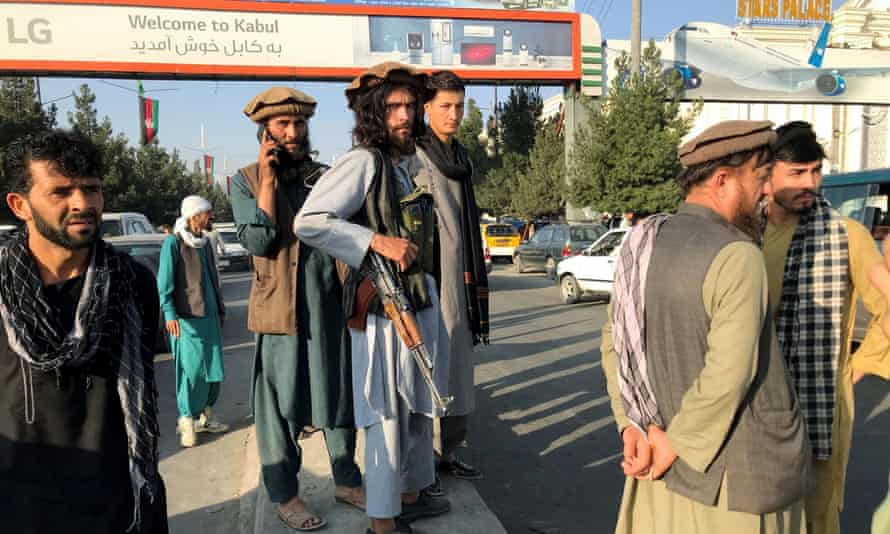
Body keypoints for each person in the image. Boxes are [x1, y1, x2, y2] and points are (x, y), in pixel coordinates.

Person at [601, 120, 812, 533]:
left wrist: (632, 426)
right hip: (736, 486)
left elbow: (615, 342)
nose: (766, 192)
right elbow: (729, 374)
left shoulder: (642, 241)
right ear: (722, 180)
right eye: (761, 177)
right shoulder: (738, 255)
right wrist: (674, 446)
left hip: (659, 470)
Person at [293, 62, 451, 534]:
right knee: (385, 415)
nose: (404, 115)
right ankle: (383, 523)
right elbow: (311, 221)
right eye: (392, 107)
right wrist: (374, 242)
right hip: (384, 311)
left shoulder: (404, 164)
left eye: (408, 105)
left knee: (417, 409)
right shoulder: (363, 160)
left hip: (417, 301)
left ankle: (407, 496)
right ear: (373, 114)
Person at [0, 129, 168, 533]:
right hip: (19, 507)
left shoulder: (132, 283)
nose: (82, 204)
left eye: (91, 189)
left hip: (120, 503)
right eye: (61, 192)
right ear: (19, 205)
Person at [230, 86, 363, 531]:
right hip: (278, 311)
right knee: (280, 405)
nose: (292, 132)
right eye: (282, 124)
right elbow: (258, 241)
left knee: (337, 395)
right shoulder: (245, 180)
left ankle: (347, 480)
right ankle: (285, 494)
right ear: (264, 132)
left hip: (328, 305)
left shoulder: (324, 176)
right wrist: (268, 183)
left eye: (299, 124)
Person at [762, 121, 890, 534]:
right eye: (797, 173)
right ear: (767, 174)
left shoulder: (845, 235)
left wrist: (862, 362)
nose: (811, 183)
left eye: (815, 172)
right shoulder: (743, 232)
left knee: (816, 508)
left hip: (820, 399)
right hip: (753, 396)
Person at [413, 70, 488, 491]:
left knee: (459, 371)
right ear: (427, 109)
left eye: (459, 105)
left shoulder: (460, 158)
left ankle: (450, 453)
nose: (454, 114)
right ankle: (422, 463)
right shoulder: (414, 156)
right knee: (427, 372)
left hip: (459, 282)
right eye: (445, 106)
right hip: (427, 280)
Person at [157, 195, 228, 448]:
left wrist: (220, 310)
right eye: (207, 212)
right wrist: (169, 313)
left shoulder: (205, 242)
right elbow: (164, 283)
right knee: (190, 371)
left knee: (212, 367)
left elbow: (213, 278)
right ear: (194, 215)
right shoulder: (173, 244)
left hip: (208, 317)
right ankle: (186, 419)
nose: (211, 217)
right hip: (186, 320)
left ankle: (206, 416)